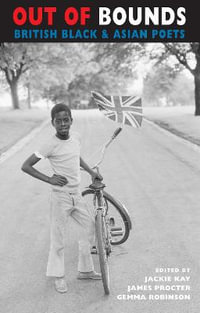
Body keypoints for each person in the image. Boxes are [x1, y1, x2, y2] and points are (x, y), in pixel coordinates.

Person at [21, 103, 102, 293]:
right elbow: (26, 166)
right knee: (58, 238)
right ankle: (58, 276)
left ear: (71, 121)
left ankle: (85, 270)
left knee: (89, 226)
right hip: (61, 198)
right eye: (59, 121)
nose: (63, 124)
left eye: (66, 120)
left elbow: (76, 157)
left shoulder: (76, 137)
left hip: (77, 194)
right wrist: (49, 179)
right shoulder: (50, 144)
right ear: (53, 123)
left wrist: (91, 172)